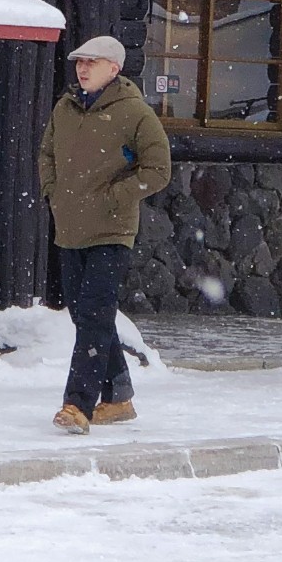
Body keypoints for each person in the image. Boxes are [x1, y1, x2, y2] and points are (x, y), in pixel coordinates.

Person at [38, 33, 171, 434]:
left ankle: (78, 405)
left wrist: (119, 196)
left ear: (113, 69)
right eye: (79, 62)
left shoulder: (135, 113)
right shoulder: (65, 108)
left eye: (91, 63)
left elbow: (158, 169)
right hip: (70, 228)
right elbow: (46, 154)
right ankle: (118, 397)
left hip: (111, 231)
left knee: (95, 315)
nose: (82, 68)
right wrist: (53, 192)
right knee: (86, 316)